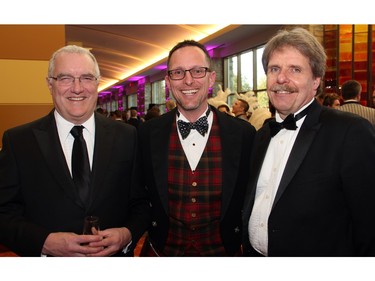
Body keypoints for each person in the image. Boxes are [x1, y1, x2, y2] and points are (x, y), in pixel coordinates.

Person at [0, 45, 150, 257]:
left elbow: (141, 203)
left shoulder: (128, 136)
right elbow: (4, 213)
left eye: (87, 78)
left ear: (97, 83)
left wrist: (127, 234)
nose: (77, 88)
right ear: (50, 84)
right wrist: (44, 242)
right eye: (65, 78)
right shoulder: (19, 141)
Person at [242, 27, 375, 257]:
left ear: (315, 81)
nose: (282, 78)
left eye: (295, 69)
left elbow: (369, 225)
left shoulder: (350, 131)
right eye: (275, 69)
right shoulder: (262, 135)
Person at [138, 39, 256, 256]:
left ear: (211, 78)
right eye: (178, 72)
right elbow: (137, 196)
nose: (188, 80)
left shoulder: (243, 134)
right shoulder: (146, 134)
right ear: (168, 81)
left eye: (197, 71)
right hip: (161, 252)